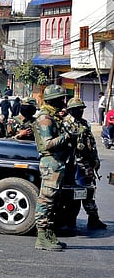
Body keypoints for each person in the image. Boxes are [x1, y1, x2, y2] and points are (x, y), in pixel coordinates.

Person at [31, 85, 74, 251]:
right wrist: (67, 135)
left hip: (58, 162)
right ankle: (42, 236)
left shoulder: (54, 116)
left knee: (55, 201)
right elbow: (48, 143)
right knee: (46, 199)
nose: (64, 102)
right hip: (51, 162)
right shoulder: (45, 118)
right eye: (61, 99)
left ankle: (49, 233)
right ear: (54, 100)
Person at [60, 98, 107, 231]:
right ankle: (70, 219)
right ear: (70, 110)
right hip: (72, 164)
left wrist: (95, 160)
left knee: (89, 191)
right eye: (77, 109)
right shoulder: (65, 124)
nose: (80, 111)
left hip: (85, 164)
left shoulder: (84, 123)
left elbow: (91, 143)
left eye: (81, 108)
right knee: (72, 193)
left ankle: (93, 218)